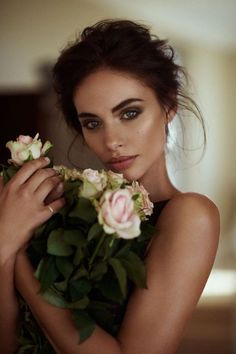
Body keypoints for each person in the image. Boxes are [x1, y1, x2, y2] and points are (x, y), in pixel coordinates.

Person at [0, 19, 220, 354]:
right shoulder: (56, 208)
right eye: (92, 123)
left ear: (169, 106)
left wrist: (15, 256)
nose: (111, 141)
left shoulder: (191, 215)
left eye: (129, 113)